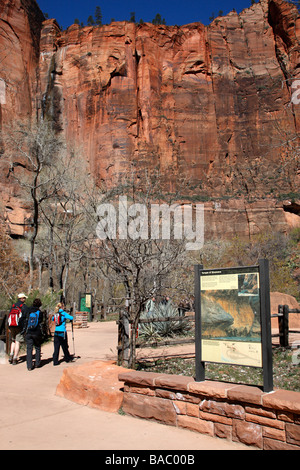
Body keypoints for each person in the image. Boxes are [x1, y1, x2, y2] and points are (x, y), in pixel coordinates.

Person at [22, 298, 44, 371]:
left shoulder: (29, 311)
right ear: (39, 304)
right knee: (37, 347)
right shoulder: (39, 312)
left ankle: (29, 365)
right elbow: (41, 322)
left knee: (29, 349)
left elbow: (25, 319)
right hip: (37, 332)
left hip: (29, 332)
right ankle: (37, 363)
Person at [8, 293, 27, 365]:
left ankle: (11, 354)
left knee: (13, 340)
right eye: (24, 298)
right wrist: (24, 328)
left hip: (12, 325)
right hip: (19, 326)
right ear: (22, 299)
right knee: (17, 341)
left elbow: (9, 316)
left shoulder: (13, 306)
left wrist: (9, 326)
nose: (25, 299)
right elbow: (25, 318)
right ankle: (15, 358)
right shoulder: (24, 307)